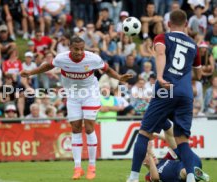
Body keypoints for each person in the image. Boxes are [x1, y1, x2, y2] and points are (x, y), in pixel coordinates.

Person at [21, 36, 132, 180]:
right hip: (72, 95)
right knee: (76, 128)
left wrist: (119, 77)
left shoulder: (93, 58)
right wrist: (30, 73)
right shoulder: (61, 58)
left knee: (89, 126)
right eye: (76, 49)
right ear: (70, 48)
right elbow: (48, 66)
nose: (79, 52)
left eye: (81, 49)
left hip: (90, 93)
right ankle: (77, 167)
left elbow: (106, 69)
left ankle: (92, 166)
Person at [127, 10, 202, 182]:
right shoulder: (193, 45)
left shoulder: (162, 37)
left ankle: (133, 178)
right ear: (186, 25)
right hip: (185, 93)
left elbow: (160, 53)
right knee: (182, 140)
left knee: (144, 133)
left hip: (165, 89)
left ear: (168, 24)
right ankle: (190, 177)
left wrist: (160, 76)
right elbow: (198, 76)